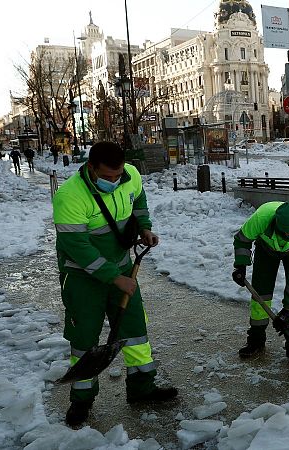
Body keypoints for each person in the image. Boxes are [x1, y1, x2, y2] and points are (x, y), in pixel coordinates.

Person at [52, 141, 177, 427]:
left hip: (121, 268)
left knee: (134, 331)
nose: (114, 181)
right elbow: (77, 247)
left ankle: (142, 388)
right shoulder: (70, 196)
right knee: (84, 341)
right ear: (91, 167)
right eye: (107, 177)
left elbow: (139, 200)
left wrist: (144, 226)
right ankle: (81, 401)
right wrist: (115, 277)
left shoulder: (129, 175)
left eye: (117, 175)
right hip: (83, 277)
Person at [231, 201, 289, 365]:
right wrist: (240, 265)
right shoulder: (262, 218)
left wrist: (288, 309)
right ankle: (256, 339)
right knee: (261, 292)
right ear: (280, 229)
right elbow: (242, 240)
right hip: (266, 247)